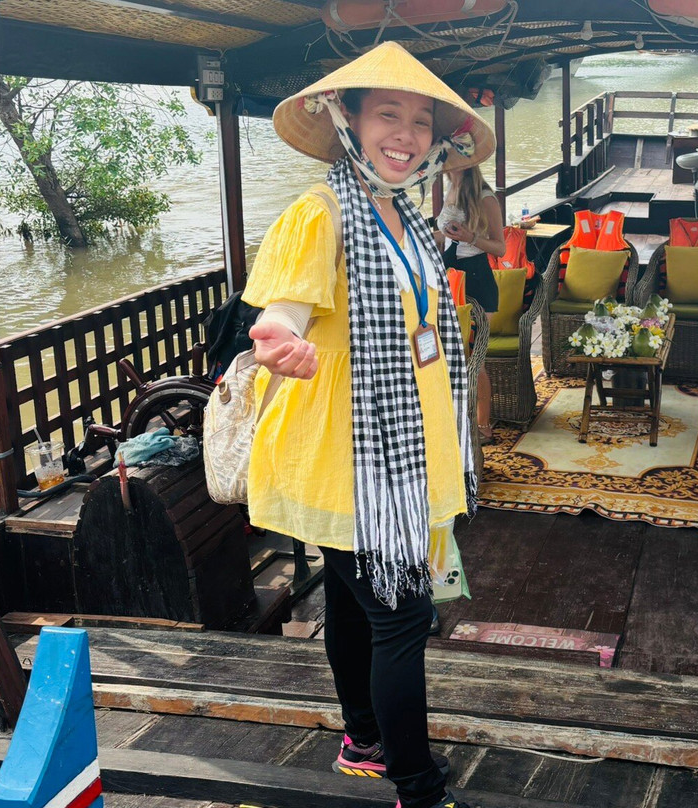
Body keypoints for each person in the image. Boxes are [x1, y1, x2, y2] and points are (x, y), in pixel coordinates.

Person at [242, 41, 495, 808]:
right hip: (344, 456)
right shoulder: (319, 214)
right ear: (345, 118)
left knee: (357, 603)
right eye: (389, 113)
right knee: (403, 616)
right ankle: (417, 787)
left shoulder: (409, 219)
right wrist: (277, 340)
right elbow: (280, 313)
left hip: (398, 449)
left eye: (422, 121)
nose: (408, 134)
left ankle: (362, 740)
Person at [437, 166, 505, 443]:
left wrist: (471, 238)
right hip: (450, 276)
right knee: (448, 354)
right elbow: (443, 237)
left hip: (476, 278)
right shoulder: (449, 189)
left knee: (474, 357)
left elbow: (500, 248)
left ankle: (483, 425)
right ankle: (451, 419)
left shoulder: (485, 197)